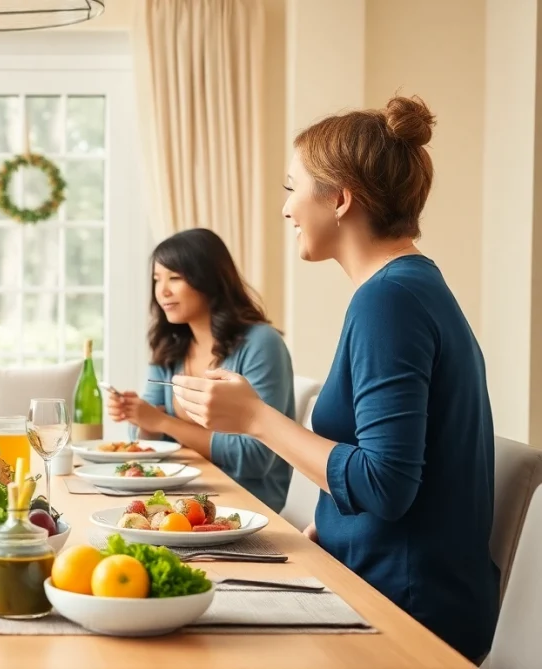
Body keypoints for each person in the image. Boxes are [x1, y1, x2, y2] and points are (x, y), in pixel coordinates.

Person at [170, 96, 499, 662]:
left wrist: (256, 418)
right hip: (387, 583)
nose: (286, 210)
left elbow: (385, 484)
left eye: (291, 188)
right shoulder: (407, 288)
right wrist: (336, 532)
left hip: (406, 619)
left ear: (341, 198)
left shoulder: (389, 301)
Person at [107, 228, 294, 512]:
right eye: (157, 279)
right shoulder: (170, 345)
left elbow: (256, 457)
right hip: (180, 494)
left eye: (175, 278)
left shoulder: (261, 344)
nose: (162, 291)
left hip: (245, 505)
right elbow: (143, 441)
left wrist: (162, 422)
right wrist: (140, 415)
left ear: (207, 280)